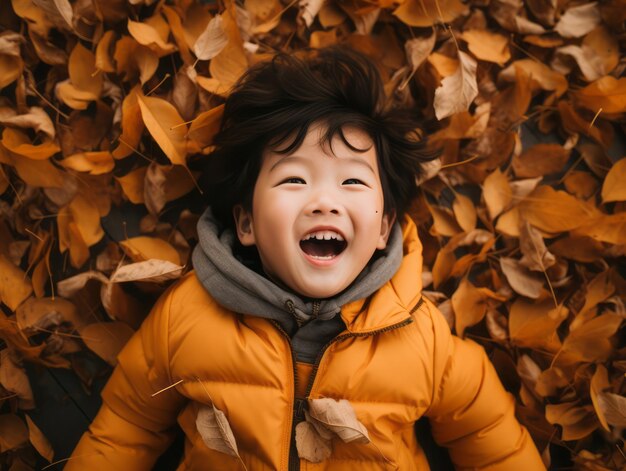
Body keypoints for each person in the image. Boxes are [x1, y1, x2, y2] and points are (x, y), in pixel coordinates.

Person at [66, 46, 545, 470]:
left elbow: (490, 440)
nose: (324, 202)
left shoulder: (423, 338)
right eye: (294, 180)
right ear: (247, 224)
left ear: (383, 227)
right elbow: (126, 429)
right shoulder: (184, 319)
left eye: (352, 182)